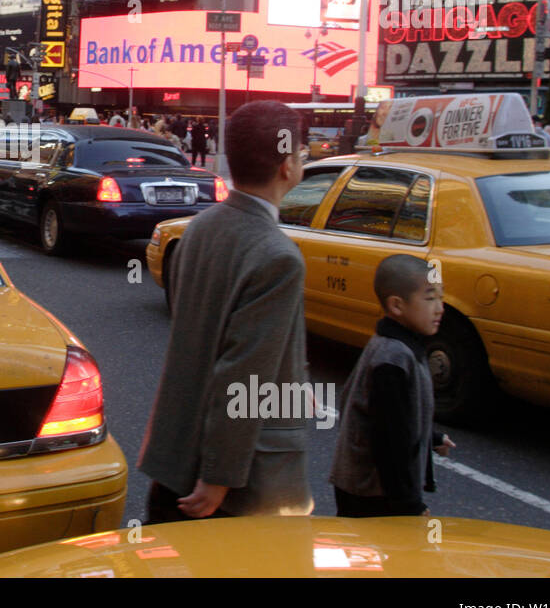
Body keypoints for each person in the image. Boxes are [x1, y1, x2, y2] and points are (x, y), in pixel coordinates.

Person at [139, 100, 312, 520]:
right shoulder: (277, 256)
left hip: (176, 455)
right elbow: (245, 375)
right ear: (286, 165)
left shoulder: (198, 229)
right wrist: (219, 476)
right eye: (302, 152)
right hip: (242, 485)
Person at [330, 254, 456, 518]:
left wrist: (432, 438)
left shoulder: (403, 347)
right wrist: (409, 505)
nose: (440, 308)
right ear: (397, 306)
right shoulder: (392, 359)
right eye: (430, 298)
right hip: (371, 493)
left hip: (377, 488)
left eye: (441, 298)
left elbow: (403, 417)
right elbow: (389, 439)